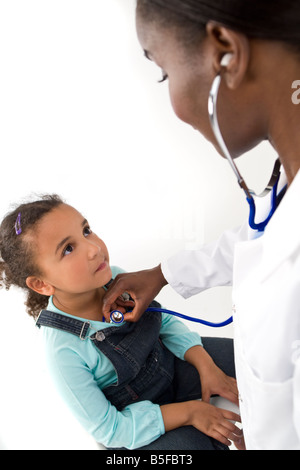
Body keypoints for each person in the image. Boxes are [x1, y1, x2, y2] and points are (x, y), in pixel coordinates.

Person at [102, 0, 300, 450]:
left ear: (226, 52)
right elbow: (262, 237)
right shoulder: (286, 189)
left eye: (164, 72)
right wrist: (164, 273)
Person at [0, 194, 243, 450]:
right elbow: (110, 430)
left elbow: (164, 322)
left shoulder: (115, 278)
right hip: (137, 428)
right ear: (41, 284)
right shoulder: (61, 349)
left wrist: (206, 366)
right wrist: (190, 413)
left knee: (250, 357)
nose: (93, 248)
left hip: (171, 370)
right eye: (68, 249)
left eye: (86, 231)